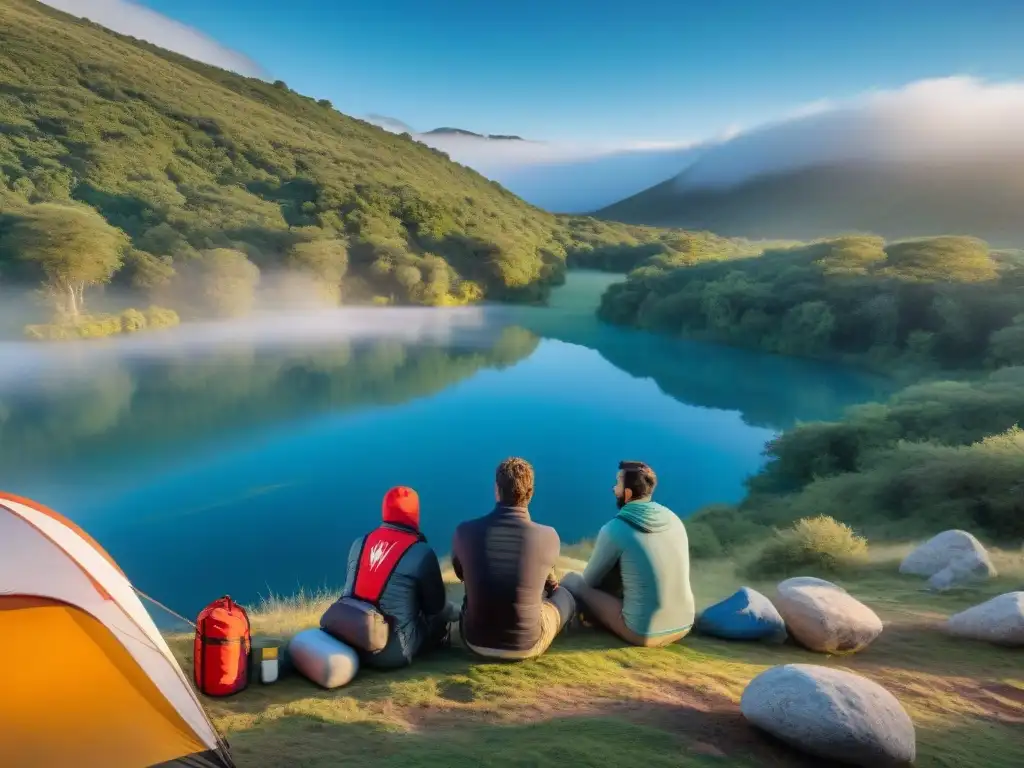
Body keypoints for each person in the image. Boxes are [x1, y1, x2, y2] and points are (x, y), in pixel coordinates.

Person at [452, 457, 575, 660]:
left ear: (496, 490)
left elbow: (461, 574)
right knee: (566, 595)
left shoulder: (464, 532)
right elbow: (550, 584)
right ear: (531, 493)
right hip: (527, 644)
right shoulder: (549, 536)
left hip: (474, 641)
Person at [562, 461, 694, 647]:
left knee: (573, 580)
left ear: (628, 493)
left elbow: (590, 581)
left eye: (617, 483)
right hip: (685, 623)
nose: (613, 488)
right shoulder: (673, 518)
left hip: (644, 632)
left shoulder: (616, 529)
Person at [323, 486, 458, 669]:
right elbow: (434, 607)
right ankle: (440, 646)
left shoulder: (359, 542)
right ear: (415, 514)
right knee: (438, 612)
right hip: (389, 652)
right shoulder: (420, 552)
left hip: (347, 636)